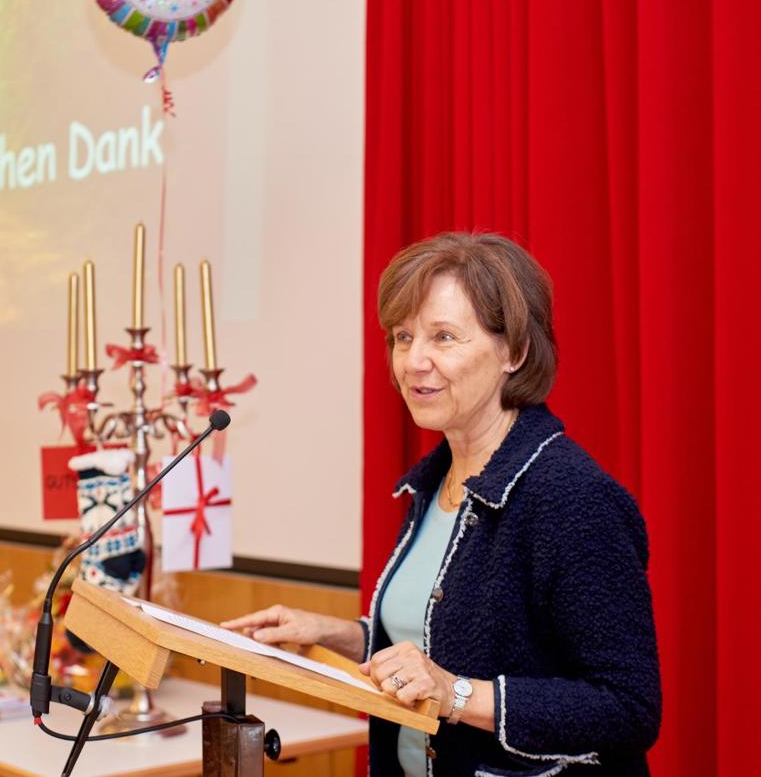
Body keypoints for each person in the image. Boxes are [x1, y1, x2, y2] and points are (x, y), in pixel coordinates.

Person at [222, 233, 660, 776]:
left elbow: (626, 707)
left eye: (444, 337)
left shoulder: (570, 497)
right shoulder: (437, 482)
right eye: (403, 337)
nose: (413, 362)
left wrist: (455, 694)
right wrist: (334, 633)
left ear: (514, 352)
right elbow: (435, 643)